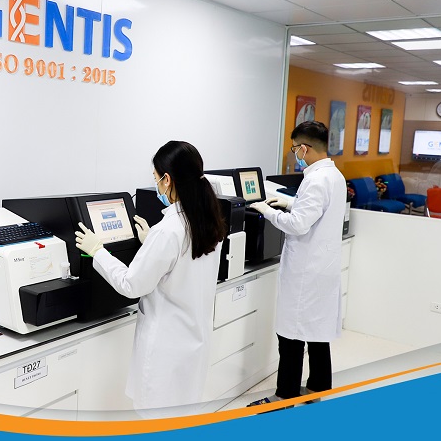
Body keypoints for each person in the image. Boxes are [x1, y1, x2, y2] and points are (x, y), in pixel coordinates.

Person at [74, 141, 227, 418]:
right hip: (194, 342)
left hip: (166, 349)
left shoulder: (169, 229)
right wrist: (150, 245)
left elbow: (131, 284)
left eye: (155, 178)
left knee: (158, 419)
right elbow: (184, 263)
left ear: (167, 179)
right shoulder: (207, 219)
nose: (156, 185)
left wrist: (98, 251)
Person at [247, 120, 347, 407]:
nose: (295, 155)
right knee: (317, 333)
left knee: (290, 335)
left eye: (295, 149)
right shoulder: (334, 175)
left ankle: (285, 395)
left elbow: (298, 225)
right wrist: (289, 203)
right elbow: (317, 210)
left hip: (306, 271)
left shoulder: (315, 180)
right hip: (322, 268)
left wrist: (267, 211)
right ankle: (317, 387)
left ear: (304, 148)